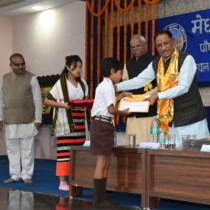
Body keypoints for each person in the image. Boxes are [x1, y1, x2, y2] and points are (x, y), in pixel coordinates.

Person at [116, 30, 210, 146]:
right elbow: (140, 80)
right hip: (168, 123)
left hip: (190, 120)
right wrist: (116, 86)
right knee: (171, 160)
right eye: (159, 45)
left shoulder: (186, 59)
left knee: (195, 159)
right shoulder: (157, 63)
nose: (163, 48)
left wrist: (158, 96)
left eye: (166, 43)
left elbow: (183, 87)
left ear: (174, 42)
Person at [90, 57, 131, 208]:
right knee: (102, 161)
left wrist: (122, 95)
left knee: (106, 161)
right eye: (120, 73)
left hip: (104, 125)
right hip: (101, 125)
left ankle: (102, 198)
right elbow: (111, 109)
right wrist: (123, 113)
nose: (121, 76)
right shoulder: (107, 86)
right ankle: (98, 200)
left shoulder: (107, 85)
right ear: (112, 71)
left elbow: (111, 102)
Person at [44, 55, 88, 191]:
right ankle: (62, 182)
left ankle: (78, 178)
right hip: (65, 121)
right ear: (68, 67)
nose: (78, 70)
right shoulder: (60, 83)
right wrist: (63, 106)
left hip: (79, 120)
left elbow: (85, 99)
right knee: (64, 151)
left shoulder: (83, 83)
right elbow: (47, 100)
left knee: (79, 151)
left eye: (80, 67)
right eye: (75, 67)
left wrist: (85, 106)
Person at [0, 53, 42, 184]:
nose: (21, 67)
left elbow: (38, 101)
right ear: (10, 65)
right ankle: (14, 175)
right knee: (12, 150)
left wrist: (38, 120)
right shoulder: (4, 79)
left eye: (23, 63)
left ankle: (27, 175)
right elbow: (1, 101)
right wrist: (0, 118)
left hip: (28, 120)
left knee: (27, 150)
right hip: (10, 121)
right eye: (17, 64)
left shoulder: (32, 78)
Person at [122, 35, 157, 143]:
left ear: (145, 45)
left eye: (138, 46)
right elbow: (125, 84)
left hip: (150, 112)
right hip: (133, 115)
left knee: (149, 146)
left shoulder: (155, 61)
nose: (136, 49)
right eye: (133, 47)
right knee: (133, 149)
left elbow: (162, 85)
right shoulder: (128, 64)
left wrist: (151, 95)